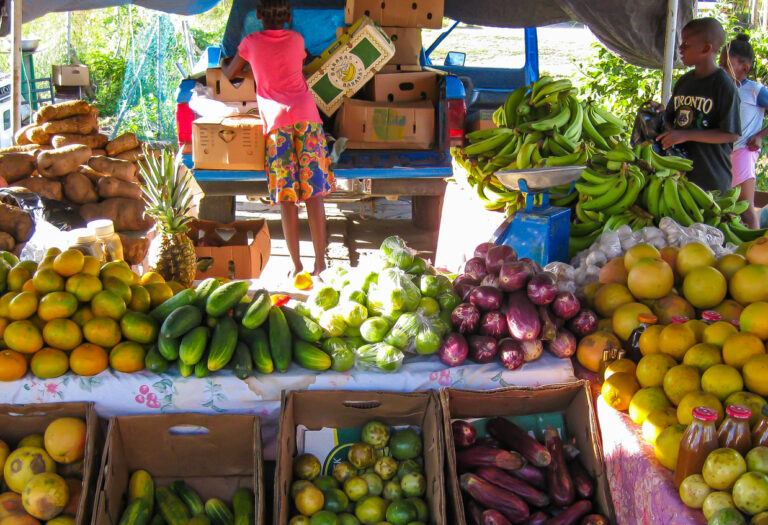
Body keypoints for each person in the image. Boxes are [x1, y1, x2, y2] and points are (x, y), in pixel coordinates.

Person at [223, 0, 333, 277]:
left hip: (277, 124)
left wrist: (253, 69)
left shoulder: (249, 42)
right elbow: (299, 62)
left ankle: (297, 266)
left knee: (287, 197)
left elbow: (228, 73)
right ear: (288, 17)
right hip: (307, 118)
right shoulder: (297, 40)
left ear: (258, 15)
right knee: (314, 194)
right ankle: (321, 264)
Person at [658, 18, 741, 196]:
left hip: (710, 180)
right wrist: (660, 113)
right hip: (680, 176)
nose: (680, 48)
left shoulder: (723, 85)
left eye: (686, 43)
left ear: (706, 48)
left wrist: (686, 134)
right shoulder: (684, 82)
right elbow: (673, 121)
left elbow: (731, 133)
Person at [720, 33, 767, 229]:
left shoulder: (756, 91)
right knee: (723, 207)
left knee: (745, 208)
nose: (721, 69)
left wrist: (759, 136)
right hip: (720, 153)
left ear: (745, 68)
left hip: (742, 153)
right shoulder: (719, 88)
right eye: (720, 64)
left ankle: (754, 248)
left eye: (726, 66)